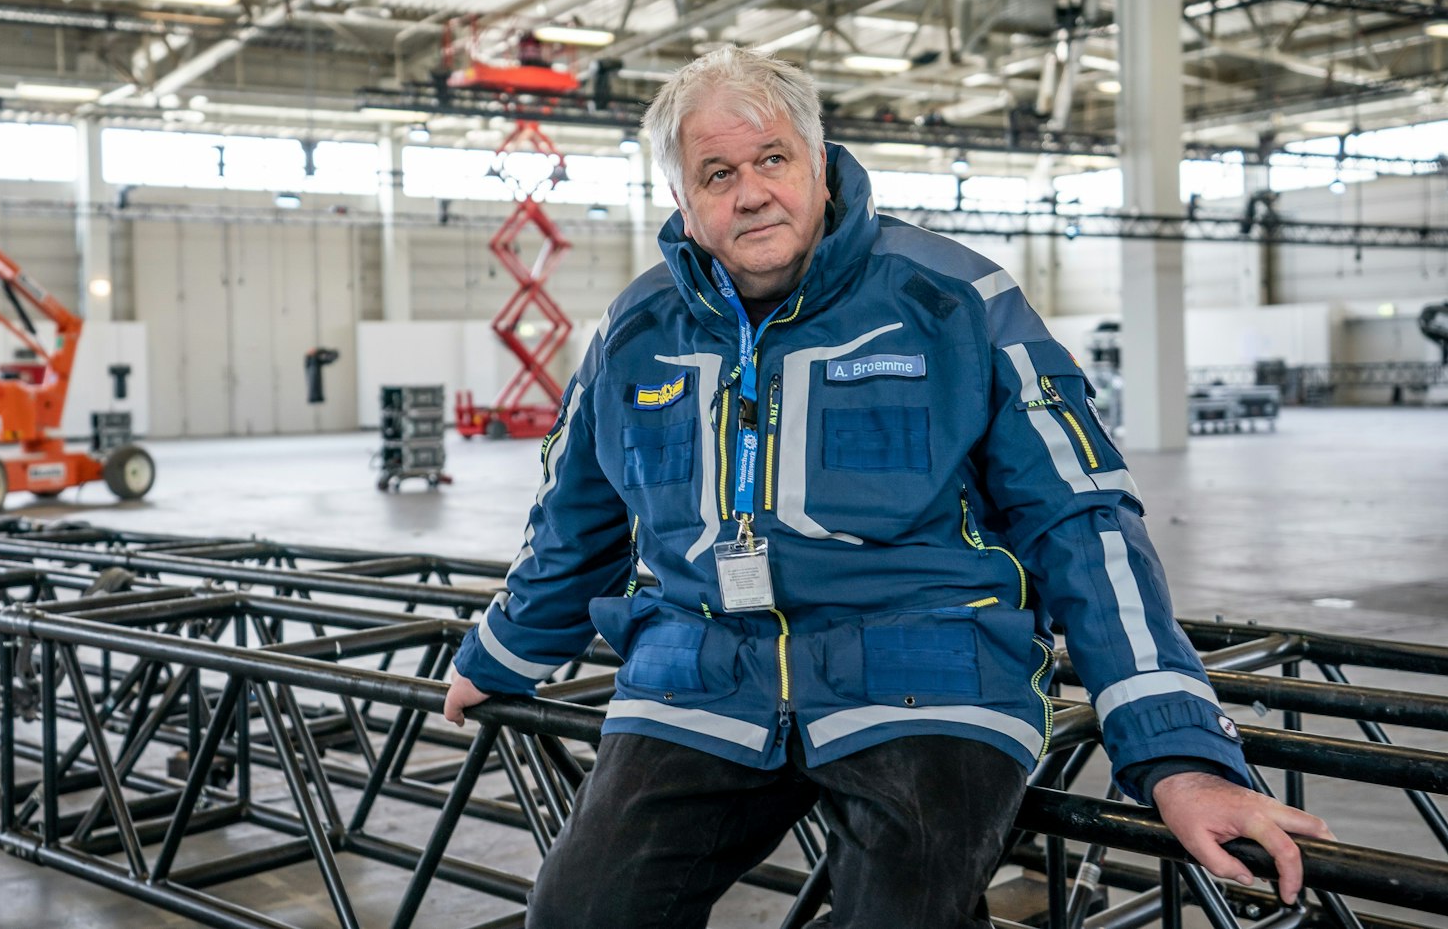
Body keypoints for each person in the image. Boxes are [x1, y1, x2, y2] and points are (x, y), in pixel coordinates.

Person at [443, 45, 1331, 928]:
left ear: (820, 166)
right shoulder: (636, 332)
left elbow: (1082, 521)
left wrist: (1179, 756)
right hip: (700, 677)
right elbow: (576, 523)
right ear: (682, 200)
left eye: (772, 159)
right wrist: (500, 657)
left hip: (929, 675)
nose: (749, 191)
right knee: (580, 914)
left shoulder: (956, 301)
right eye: (715, 174)